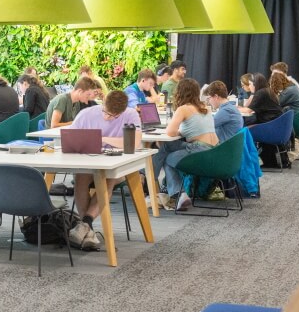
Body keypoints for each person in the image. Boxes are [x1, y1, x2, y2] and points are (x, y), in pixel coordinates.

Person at [67, 91, 142, 250]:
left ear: (122, 112)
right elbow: (71, 138)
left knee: (107, 177)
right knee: (80, 177)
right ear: (102, 104)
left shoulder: (131, 115)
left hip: (116, 167)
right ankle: (87, 229)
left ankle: (85, 225)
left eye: (114, 116)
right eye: (106, 112)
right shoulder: (86, 114)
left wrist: (102, 139)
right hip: (88, 161)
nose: (108, 118)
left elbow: (134, 143)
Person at [152, 79, 219, 211]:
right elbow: (195, 129)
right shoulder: (205, 107)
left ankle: (152, 182)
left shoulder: (183, 109)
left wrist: (178, 130)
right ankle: (153, 182)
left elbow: (170, 132)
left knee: (166, 157)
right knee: (166, 147)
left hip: (199, 151)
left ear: (180, 92)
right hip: (214, 151)